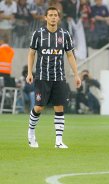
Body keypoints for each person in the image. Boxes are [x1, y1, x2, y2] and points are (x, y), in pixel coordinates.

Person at [26, 7, 81, 149]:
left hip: (59, 77)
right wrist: (29, 73)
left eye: (55, 15)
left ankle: (58, 141)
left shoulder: (65, 34)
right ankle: (31, 133)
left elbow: (70, 55)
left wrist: (76, 74)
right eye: (50, 15)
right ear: (45, 18)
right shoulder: (38, 34)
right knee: (39, 107)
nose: (53, 17)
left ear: (58, 18)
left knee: (59, 107)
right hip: (42, 76)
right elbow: (31, 53)